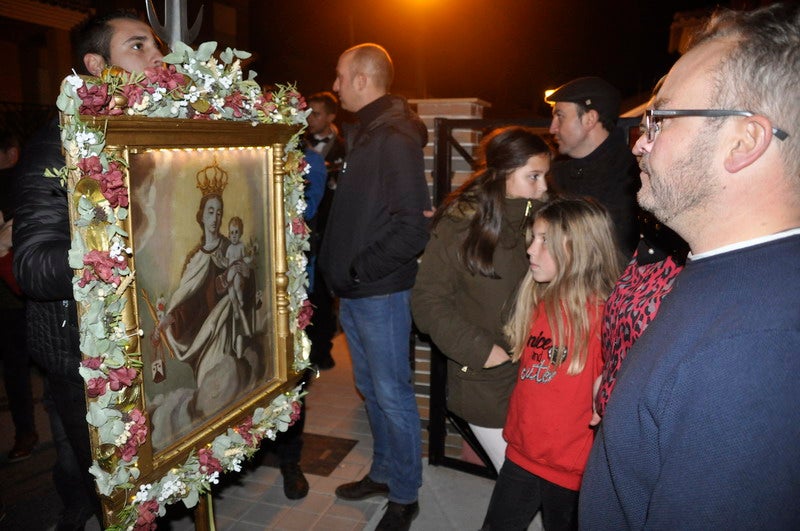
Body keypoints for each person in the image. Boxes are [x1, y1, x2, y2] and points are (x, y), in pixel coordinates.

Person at [580, 4, 800, 529]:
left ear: (743, 142)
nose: (640, 143)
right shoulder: (725, 271)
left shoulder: (750, 353)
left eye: (661, 118)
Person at [13, 10, 164, 529]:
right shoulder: (54, 144)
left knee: (149, 472)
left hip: (150, 340)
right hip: (83, 354)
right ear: (97, 65)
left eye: (156, 46)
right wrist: (119, 244)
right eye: (139, 47)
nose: (158, 57)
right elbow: (32, 265)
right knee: (102, 480)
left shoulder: (154, 133)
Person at [318, 43, 431, 530]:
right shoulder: (367, 134)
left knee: (392, 393)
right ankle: (385, 473)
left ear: (364, 79)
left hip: (379, 291)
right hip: (359, 292)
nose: (336, 85)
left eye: (342, 76)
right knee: (371, 389)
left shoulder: (393, 137)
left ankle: (406, 494)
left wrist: (359, 270)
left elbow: (412, 228)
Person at [411, 126, 552, 473]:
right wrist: (483, 352)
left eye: (545, 176)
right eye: (533, 176)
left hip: (537, 369)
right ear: (503, 173)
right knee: (518, 477)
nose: (544, 186)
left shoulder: (542, 219)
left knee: (530, 476)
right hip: (488, 377)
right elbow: (428, 301)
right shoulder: (463, 223)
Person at [480, 197, 623, 531]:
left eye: (545, 240)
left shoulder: (602, 318)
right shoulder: (540, 299)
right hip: (522, 452)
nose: (531, 249)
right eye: (533, 238)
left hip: (570, 470)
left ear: (581, 249)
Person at [590, 101, 689, 425]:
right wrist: (606, 379)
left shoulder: (702, 262)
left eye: (657, 128)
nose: (638, 145)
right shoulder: (655, 238)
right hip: (613, 420)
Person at [546, 76, 639, 256]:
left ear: (590, 119)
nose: (552, 128)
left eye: (560, 116)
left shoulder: (633, 178)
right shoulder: (553, 175)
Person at [0, 129, 39, 462]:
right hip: (16, 293)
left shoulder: (21, 183)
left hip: (18, 293)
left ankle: (26, 431)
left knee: (19, 370)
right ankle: (25, 431)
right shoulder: (23, 181)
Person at [304, 91, 345, 370]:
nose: (310, 118)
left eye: (317, 113)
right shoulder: (300, 144)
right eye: (308, 111)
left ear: (331, 117)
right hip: (309, 231)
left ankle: (322, 349)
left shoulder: (345, 148)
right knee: (311, 292)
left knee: (323, 294)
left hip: (330, 229)